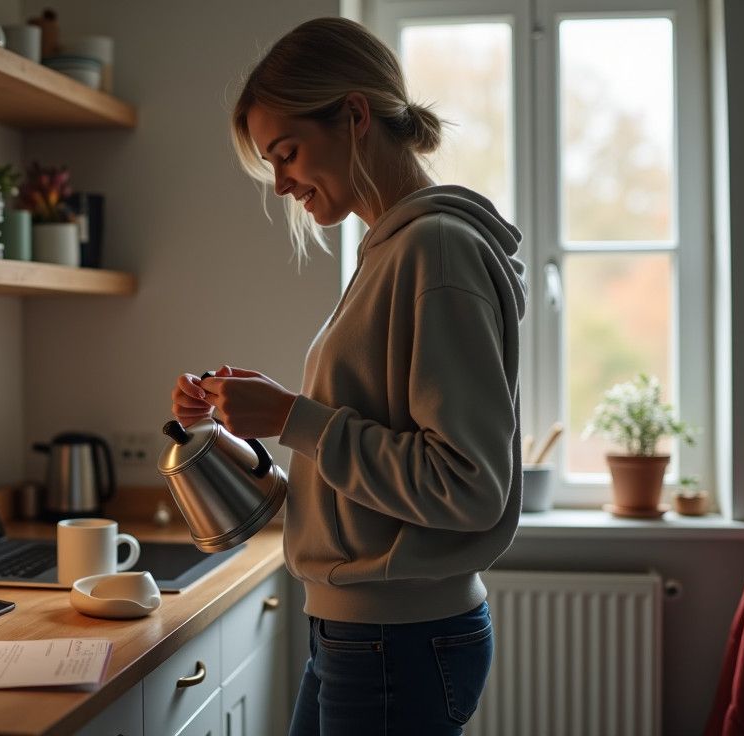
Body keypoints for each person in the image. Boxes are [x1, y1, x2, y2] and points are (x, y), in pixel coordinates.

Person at [170, 17, 528, 735]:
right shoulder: (390, 252)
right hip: (366, 633)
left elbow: (467, 485)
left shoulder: (435, 252)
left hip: (396, 640)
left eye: (288, 153)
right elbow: (357, 474)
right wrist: (240, 425)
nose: (281, 184)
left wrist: (293, 417)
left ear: (356, 116)